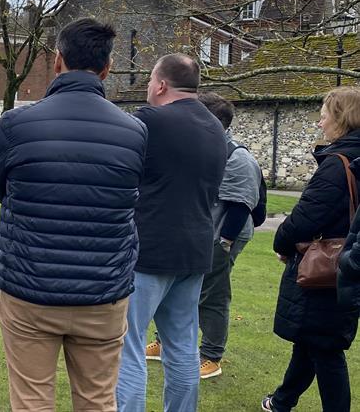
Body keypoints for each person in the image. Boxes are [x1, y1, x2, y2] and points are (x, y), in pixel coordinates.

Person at [0, 18, 148, 411]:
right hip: (102, 292)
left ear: (57, 60)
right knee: (98, 400)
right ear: (106, 68)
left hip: (31, 287)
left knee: (32, 401)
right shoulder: (134, 131)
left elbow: (0, 189)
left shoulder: (16, 124)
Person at [116, 54, 227, 412]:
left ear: (161, 84)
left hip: (149, 248)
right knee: (181, 345)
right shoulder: (215, 128)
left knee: (128, 344)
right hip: (195, 249)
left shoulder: (150, 121)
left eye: (151, 81)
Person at [146, 93, 262, 380]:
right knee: (174, 288)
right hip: (194, 234)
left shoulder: (238, 157)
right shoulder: (201, 147)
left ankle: (211, 355)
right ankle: (163, 342)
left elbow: (242, 206)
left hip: (222, 237)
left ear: (214, 121)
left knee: (213, 294)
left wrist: (224, 244)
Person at [262, 86, 360, 412]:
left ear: (342, 119)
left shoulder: (337, 164)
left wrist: (283, 244)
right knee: (312, 340)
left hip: (328, 269)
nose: (320, 123)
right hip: (348, 265)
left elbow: (305, 218)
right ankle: (281, 401)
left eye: (324, 116)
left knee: (326, 350)